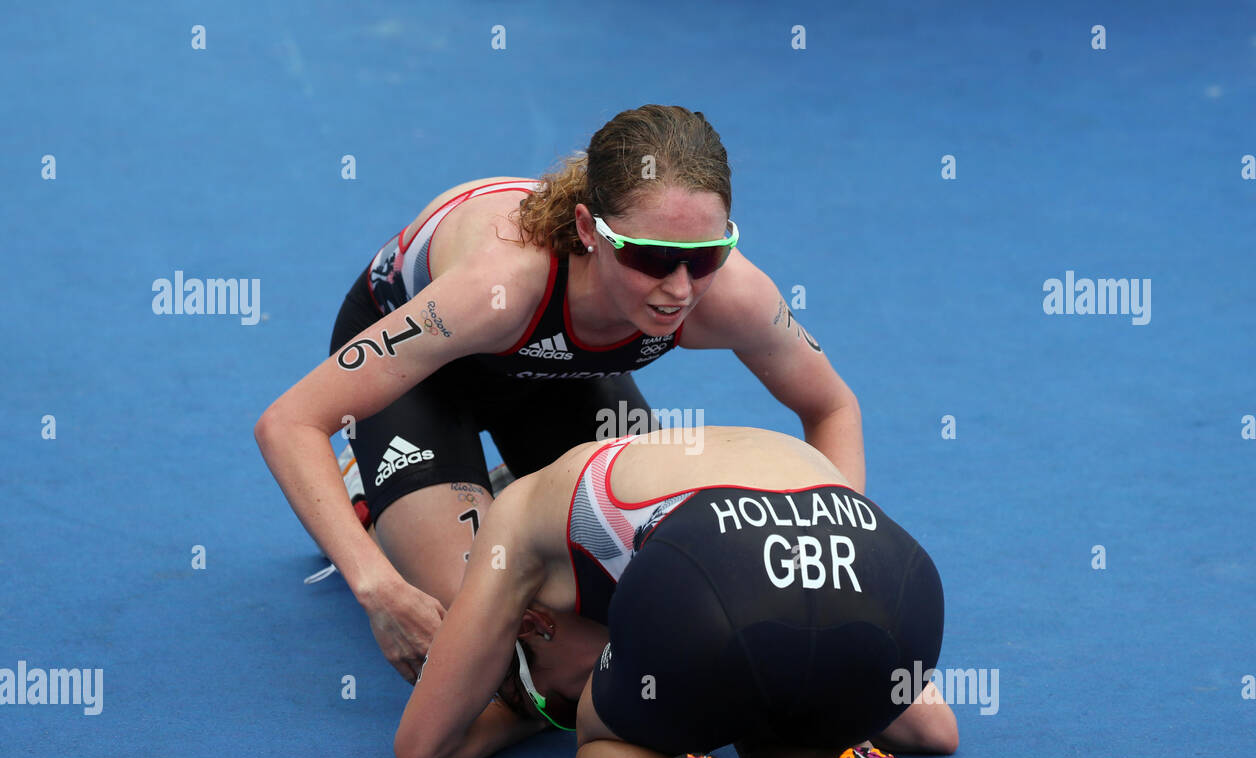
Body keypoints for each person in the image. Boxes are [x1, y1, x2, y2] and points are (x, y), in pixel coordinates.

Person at [254, 105, 866, 684]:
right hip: (422, 377)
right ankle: (383, 495)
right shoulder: (499, 285)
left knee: (662, 590)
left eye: (706, 256)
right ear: (587, 231)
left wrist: (843, 566)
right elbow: (287, 423)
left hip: (560, 376)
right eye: (652, 258)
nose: (679, 290)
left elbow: (831, 405)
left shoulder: (733, 296)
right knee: (492, 641)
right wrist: (376, 588)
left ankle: (498, 493)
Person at [394, 426, 957, 758]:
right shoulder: (667, 473)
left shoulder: (520, 509)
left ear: (533, 625)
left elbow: (420, 747)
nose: (560, 710)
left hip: (716, 562)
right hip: (889, 571)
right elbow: (935, 727)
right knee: (768, 728)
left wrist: (577, 720)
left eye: (551, 702)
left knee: (599, 746)